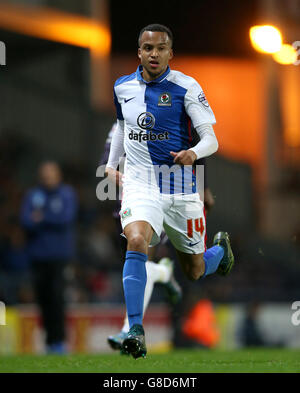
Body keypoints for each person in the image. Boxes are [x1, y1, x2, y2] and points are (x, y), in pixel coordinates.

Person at [105, 24, 234, 359]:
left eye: (161, 48)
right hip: (140, 182)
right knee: (136, 240)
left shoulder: (186, 87)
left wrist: (195, 152)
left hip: (179, 183)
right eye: (148, 48)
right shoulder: (122, 87)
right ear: (139, 52)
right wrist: (111, 163)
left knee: (192, 271)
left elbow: (211, 139)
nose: (154, 54)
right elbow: (121, 127)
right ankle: (134, 329)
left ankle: (219, 253)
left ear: (170, 53)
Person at [100, 122, 182, 354]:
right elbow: (105, 164)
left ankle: (130, 329)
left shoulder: (161, 119)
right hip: (126, 204)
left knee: (141, 263)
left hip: (155, 201)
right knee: (137, 266)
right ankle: (164, 273)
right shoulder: (119, 127)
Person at [20, 161, 78, 354]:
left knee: (58, 298)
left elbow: (65, 218)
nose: (47, 177)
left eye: (50, 174)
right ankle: (49, 341)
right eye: (44, 174)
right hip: (37, 256)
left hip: (60, 256)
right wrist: (48, 217)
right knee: (43, 299)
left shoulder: (66, 194)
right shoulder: (33, 195)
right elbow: (26, 221)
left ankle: (60, 341)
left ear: (58, 175)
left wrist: (42, 217)